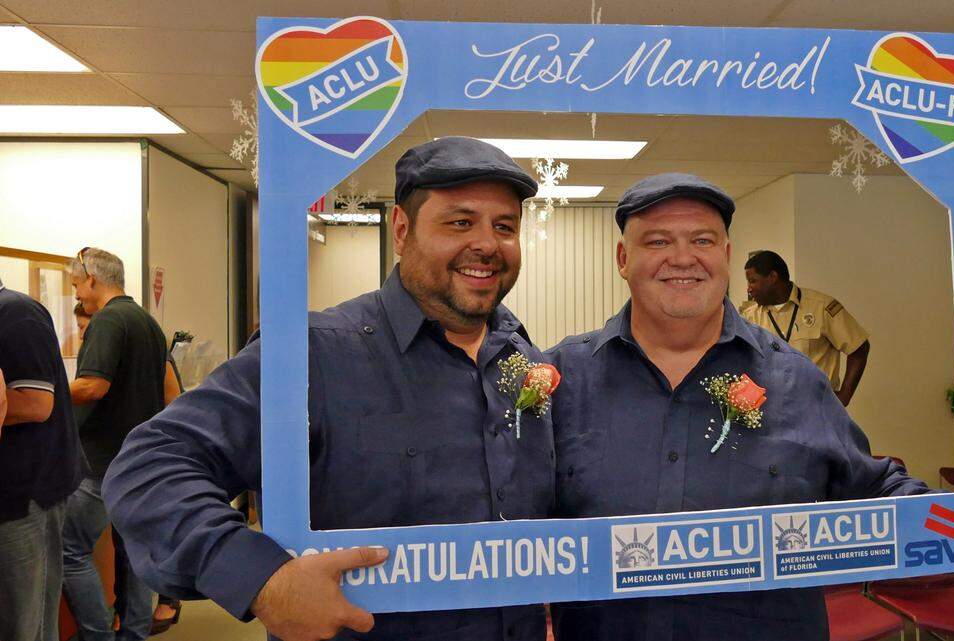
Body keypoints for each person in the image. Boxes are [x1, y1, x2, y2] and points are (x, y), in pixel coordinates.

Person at [103, 137, 556, 641]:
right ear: (402, 231)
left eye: (505, 227)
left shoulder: (524, 362)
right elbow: (150, 466)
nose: (487, 245)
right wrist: (262, 578)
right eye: (460, 222)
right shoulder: (313, 353)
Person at [547, 173, 954, 641]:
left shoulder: (794, 378)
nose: (683, 258)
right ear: (621, 257)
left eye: (702, 240)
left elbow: (875, 488)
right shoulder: (561, 379)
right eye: (657, 241)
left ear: (726, 256)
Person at [63, 247, 168, 641]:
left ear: (92, 278)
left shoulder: (108, 321)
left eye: (77, 285)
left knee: (68, 550)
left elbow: (93, 385)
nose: (76, 296)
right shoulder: (146, 321)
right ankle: (135, 633)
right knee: (135, 552)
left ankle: (98, 633)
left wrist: (46, 390)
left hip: (101, 462)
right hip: (138, 459)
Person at [0, 277, 86, 641]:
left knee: (25, 619)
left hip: (26, 493)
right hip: (16, 490)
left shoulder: (16, 314)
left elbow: (37, 403)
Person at [740, 250, 870, 406]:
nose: (748, 289)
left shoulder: (821, 307)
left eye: (753, 281)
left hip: (817, 409)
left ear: (772, 278)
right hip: (771, 411)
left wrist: (845, 395)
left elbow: (859, 347)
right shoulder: (749, 317)